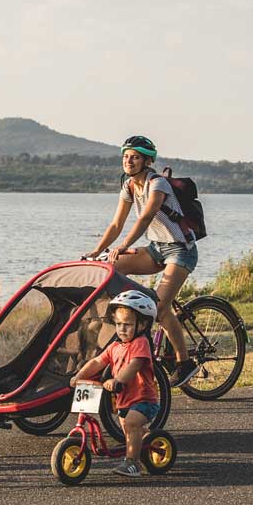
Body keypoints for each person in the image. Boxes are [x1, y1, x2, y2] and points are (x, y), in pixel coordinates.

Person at [84, 134, 197, 384]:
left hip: (180, 250)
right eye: (126, 157)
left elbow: (145, 218)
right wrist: (97, 250)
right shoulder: (128, 186)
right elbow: (116, 224)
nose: (129, 161)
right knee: (109, 269)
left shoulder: (157, 184)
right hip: (156, 248)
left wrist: (124, 245)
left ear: (147, 161)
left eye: (135, 157)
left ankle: (184, 362)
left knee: (159, 308)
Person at [72, 289, 161, 478]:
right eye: (119, 324)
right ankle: (152, 444)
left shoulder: (141, 343)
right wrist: (79, 375)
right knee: (131, 430)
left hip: (144, 399)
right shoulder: (114, 346)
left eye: (127, 324)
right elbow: (97, 362)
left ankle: (133, 463)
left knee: (131, 425)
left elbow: (135, 365)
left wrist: (118, 380)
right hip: (124, 400)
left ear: (142, 324)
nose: (122, 329)